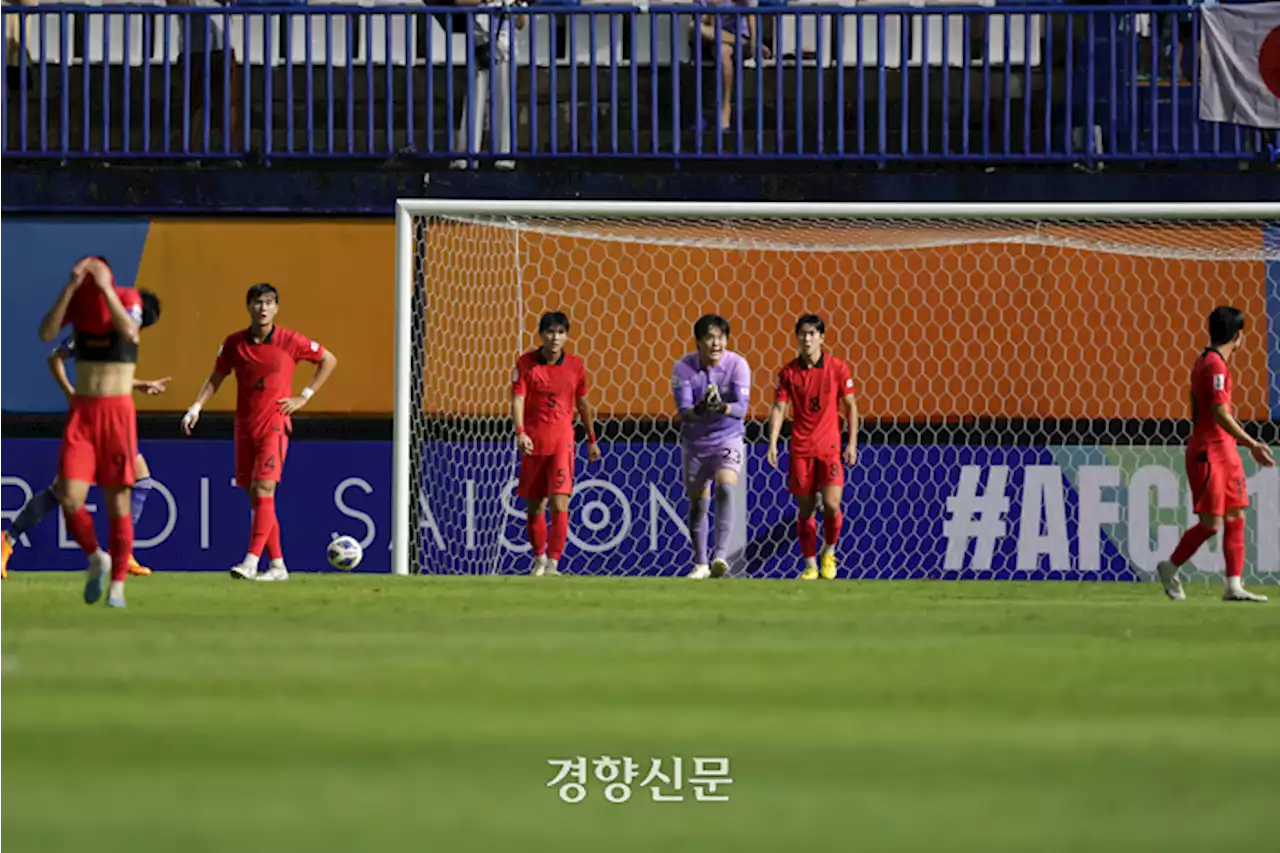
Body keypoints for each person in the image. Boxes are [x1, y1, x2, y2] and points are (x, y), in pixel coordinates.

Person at [181, 283, 337, 582]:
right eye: (257, 302)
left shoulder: (290, 340)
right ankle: (277, 565)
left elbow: (328, 359)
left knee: (265, 489)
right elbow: (217, 376)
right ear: (248, 306)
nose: (263, 308)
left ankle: (251, 561)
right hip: (244, 427)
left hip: (274, 425)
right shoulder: (234, 343)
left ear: (276, 308)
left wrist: (304, 396)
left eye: (269, 303)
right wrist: (196, 407)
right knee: (257, 497)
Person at [37, 256, 161, 608]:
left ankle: (118, 586)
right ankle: (96, 558)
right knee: (70, 496)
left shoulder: (126, 298)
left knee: (118, 503)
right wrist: (71, 285)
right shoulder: (78, 304)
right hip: (83, 414)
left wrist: (106, 288)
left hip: (117, 414)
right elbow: (46, 334)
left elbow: (129, 332)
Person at [0, 337, 168, 579]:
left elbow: (109, 380)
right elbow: (54, 357)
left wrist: (139, 384)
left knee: (140, 479)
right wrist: (69, 392)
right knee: (63, 490)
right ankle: (7, 540)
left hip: (112, 417)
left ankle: (122, 553)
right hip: (91, 418)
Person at [1157, 306, 1275, 602]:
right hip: (1208, 453)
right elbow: (1220, 412)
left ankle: (1233, 586)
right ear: (1239, 336)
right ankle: (1169, 567)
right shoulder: (1213, 366)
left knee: (1236, 514)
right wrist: (1253, 443)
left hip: (1226, 451)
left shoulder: (1211, 362)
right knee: (1211, 524)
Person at [766, 314, 858, 581]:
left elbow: (851, 406)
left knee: (831, 504)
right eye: (802, 334)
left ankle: (829, 551)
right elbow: (779, 408)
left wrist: (851, 443)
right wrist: (772, 441)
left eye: (812, 334)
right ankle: (810, 565)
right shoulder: (788, 373)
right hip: (801, 449)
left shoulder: (838, 368)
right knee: (805, 508)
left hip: (829, 447)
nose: (806, 339)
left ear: (822, 337)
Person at [511, 311, 600, 576]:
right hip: (534, 442)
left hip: (563, 443)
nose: (555, 338)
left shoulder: (575, 366)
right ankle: (538, 559)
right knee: (535, 505)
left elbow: (583, 404)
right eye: (550, 332)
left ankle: (553, 563)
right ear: (541, 335)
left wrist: (592, 439)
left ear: (567, 336)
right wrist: (520, 432)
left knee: (559, 503)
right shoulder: (526, 364)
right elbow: (518, 399)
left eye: (561, 332)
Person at [671, 314, 751, 579]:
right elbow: (684, 411)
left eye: (721, 337)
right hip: (695, 442)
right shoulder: (683, 368)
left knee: (726, 486)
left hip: (728, 437)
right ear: (698, 342)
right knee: (698, 504)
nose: (716, 343)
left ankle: (720, 556)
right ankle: (701, 562)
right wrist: (701, 409)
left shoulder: (738, 365)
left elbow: (741, 409)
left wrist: (723, 407)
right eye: (710, 337)